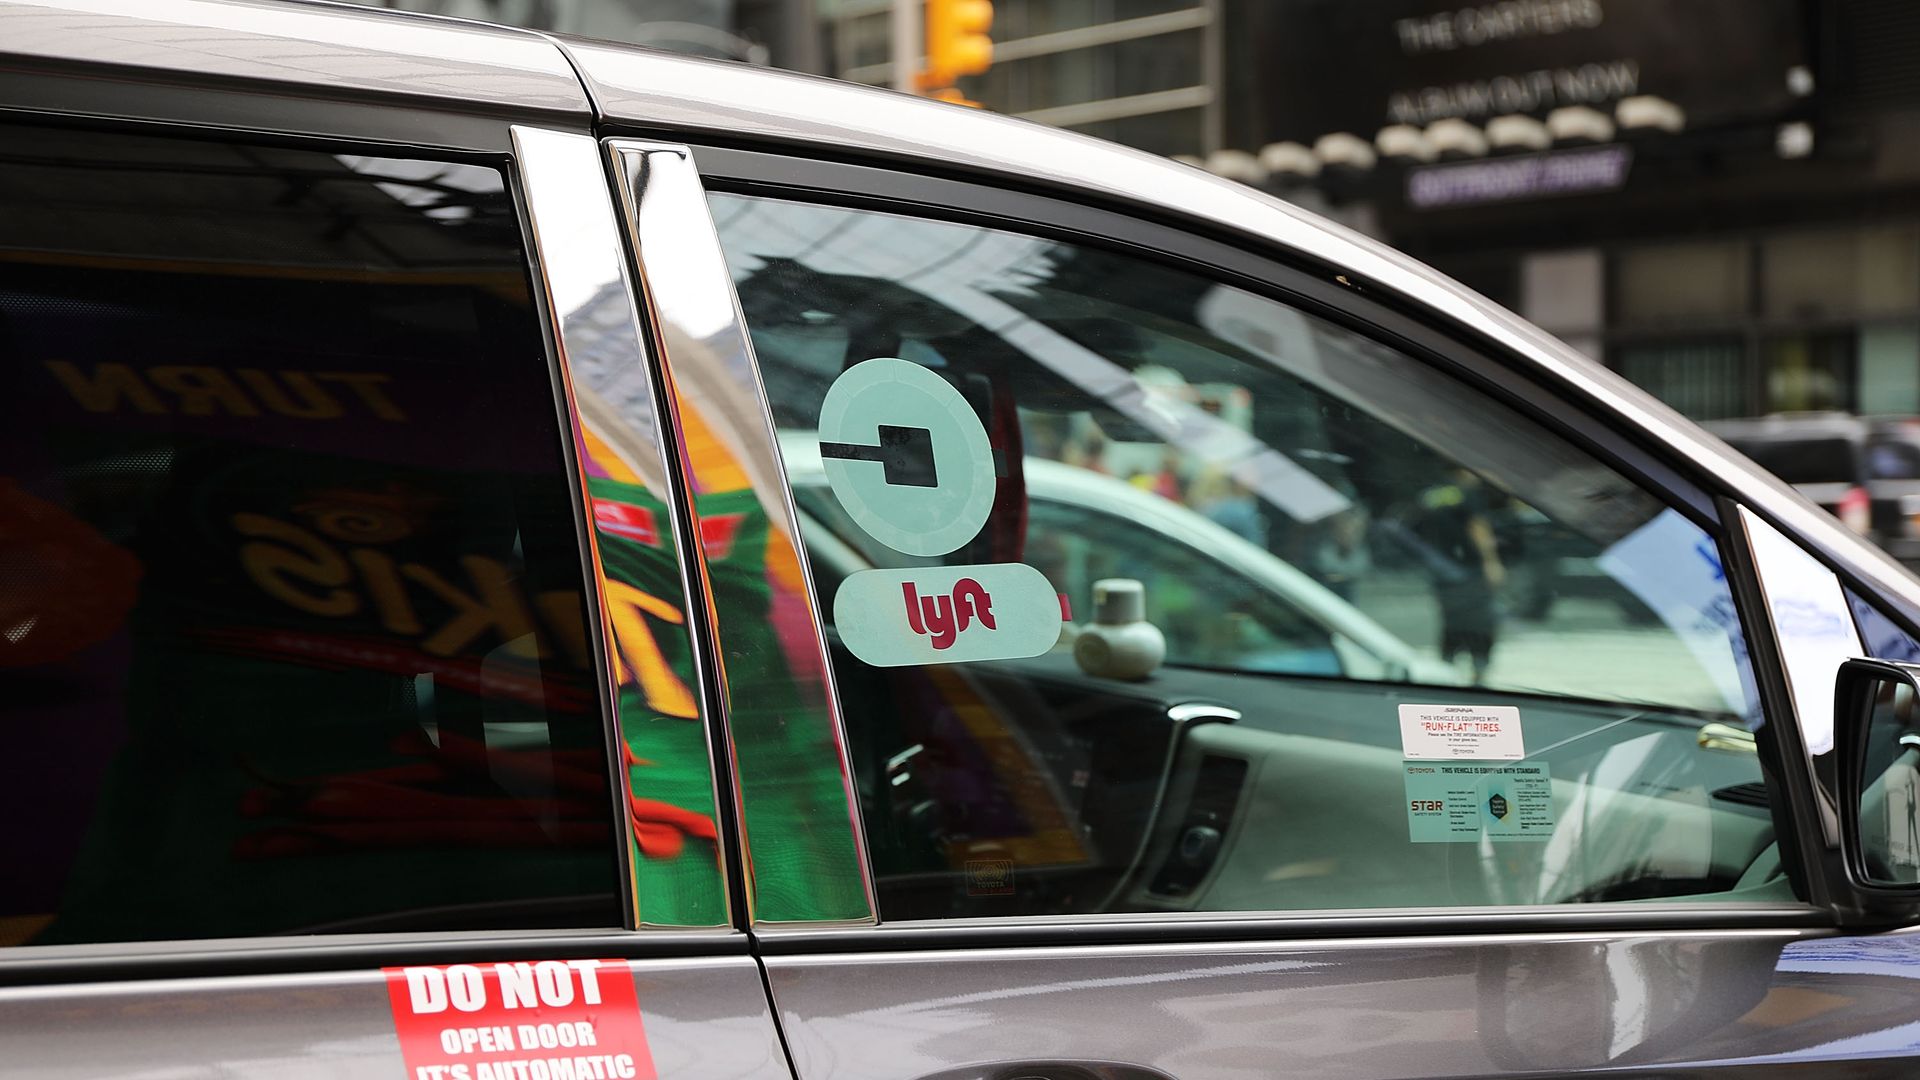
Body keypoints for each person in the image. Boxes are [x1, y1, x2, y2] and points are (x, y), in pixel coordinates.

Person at [1411, 468, 1506, 683]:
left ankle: (1447, 667)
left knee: (1451, 621)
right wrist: (1491, 562)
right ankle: (1478, 673)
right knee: (1480, 622)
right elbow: (1477, 527)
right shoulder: (1467, 494)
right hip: (1470, 571)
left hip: (1442, 572)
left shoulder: (1433, 494)